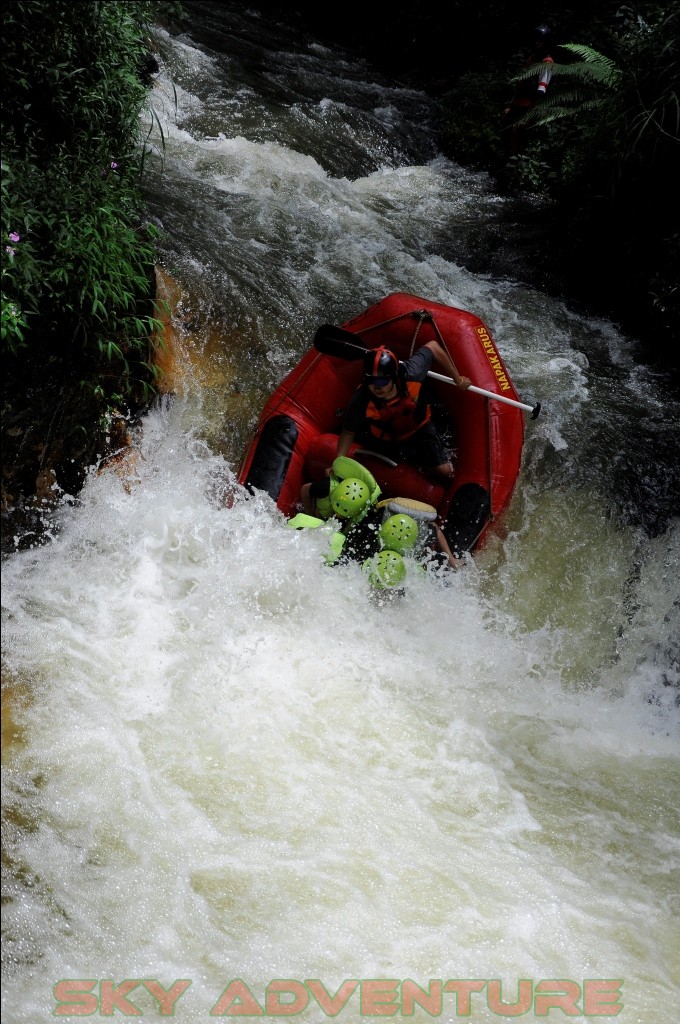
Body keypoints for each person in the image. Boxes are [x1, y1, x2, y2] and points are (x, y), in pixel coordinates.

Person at [333, 340, 471, 483]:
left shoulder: (412, 373)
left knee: (445, 472)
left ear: (393, 377)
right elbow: (348, 432)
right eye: (370, 381)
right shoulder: (361, 399)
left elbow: (433, 347)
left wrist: (458, 379)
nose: (376, 387)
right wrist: (338, 463)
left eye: (381, 382)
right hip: (386, 439)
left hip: (420, 428)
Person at [501, 24, 554, 158]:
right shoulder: (532, 58)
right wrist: (510, 105)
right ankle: (507, 159)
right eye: (536, 40)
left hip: (530, 106)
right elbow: (521, 83)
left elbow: (541, 91)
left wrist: (530, 115)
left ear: (545, 42)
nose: (537, 43)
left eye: (540, 41)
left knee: (517, 132)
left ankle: (516, 165)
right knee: (507, 127)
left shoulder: (547, 63)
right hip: (519, 103)